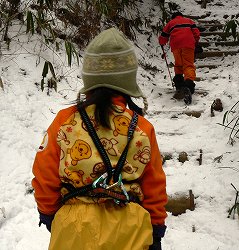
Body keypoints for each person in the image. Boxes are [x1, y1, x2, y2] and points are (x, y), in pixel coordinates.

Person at [32, 27, 167, 250]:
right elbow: (154, 183)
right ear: (128, 80)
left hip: (74, 224)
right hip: (129, 223)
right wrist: (156, 225)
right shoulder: (142, 128)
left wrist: (48, 211)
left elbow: (45, 171)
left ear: (89, 77)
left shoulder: (65, 121)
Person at [158, 12, 200, 104]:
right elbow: (196, 33)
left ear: (173, 17)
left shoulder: (171, 23)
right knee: (188, 64)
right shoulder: (189, 21)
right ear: (182, 16)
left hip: (176, 46)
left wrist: (162, 43)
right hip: (188, 45)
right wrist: (195, 41)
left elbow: (163, 36)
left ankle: (179, 83)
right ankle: (188, 85)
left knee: (179, 63)